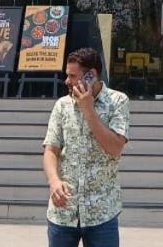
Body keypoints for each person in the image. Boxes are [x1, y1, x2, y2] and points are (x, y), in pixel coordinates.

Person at [42, 48, 130, 247]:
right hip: (63, 213)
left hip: (102, 214)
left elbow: (115, 148)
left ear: (91, 75)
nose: (67, 81)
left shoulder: (118, 102)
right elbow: (51, 150)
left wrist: (88, 110)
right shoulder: (62, 105)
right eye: (67, 75)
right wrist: (54, 181)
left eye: (73, 76)